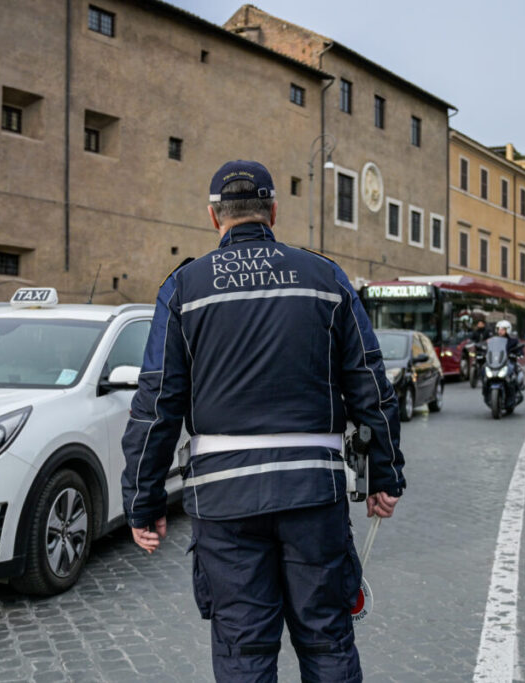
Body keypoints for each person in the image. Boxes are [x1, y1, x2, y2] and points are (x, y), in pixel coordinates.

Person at [122, 160, 405, 683]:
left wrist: (143, 500)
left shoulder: (184, 288)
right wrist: (384, 475)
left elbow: (157, 400)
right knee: (327, 640)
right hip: (313, 492)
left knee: (243, 651)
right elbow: (370, 383)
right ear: (274, 211)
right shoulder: (325, 277)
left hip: (223, 499)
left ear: (214, 217)